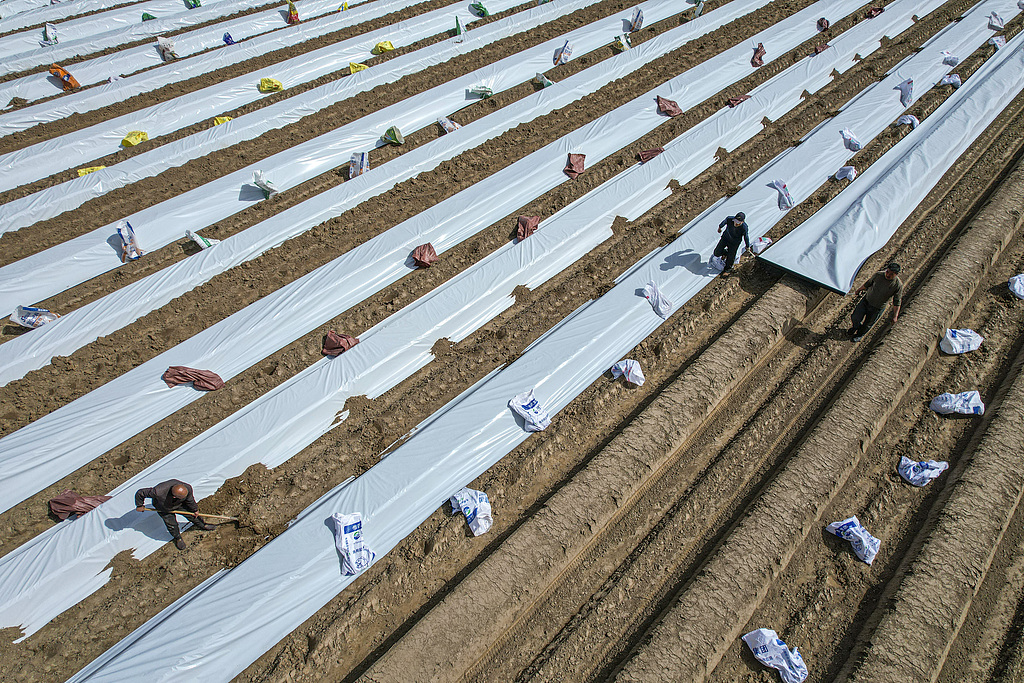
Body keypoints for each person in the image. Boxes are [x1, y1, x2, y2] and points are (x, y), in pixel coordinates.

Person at [135, 479, 214, 550]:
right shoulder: (158, 491)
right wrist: (139, 505)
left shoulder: (187, 488)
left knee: (193, 515)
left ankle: (203, 525)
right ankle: (178, 538)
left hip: (179, 504)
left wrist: (195, 509)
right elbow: (140, 493)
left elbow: (190, 500)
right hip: (163, 507)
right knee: (172, 524)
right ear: (174, 496)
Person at [849, 262, 904, 342]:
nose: (888, 275)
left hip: (877, 308)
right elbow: (868, 283)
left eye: (891, 274)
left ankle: (859, 335)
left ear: (896, 274)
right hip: (866, 301)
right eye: (887, 272)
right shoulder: (878, 275)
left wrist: (895, 316)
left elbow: (897, 301)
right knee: (855, 317)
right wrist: (859, 290)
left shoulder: (898, 285)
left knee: (868, 324)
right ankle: (855, 327)